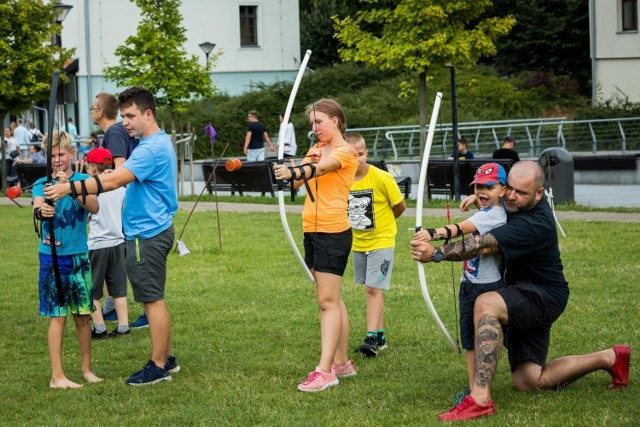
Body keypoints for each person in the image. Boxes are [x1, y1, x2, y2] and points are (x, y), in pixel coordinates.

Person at [410, 160, 631, 421]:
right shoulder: (513, 200)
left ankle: (479, 399)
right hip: (519, 293)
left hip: (543, 296)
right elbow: (497, 201)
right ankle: (611, 357)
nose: (513, 196)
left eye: (521, 192)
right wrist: (481, 195)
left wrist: (436, 253)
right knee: (528, 380)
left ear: (539, 194)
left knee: (486, 303)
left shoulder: (534, 223)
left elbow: (483, 244)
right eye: (510, 189)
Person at [45, 86, 180, 386]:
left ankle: (159, 365)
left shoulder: (150, 148)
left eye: (131, 116)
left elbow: (116, 179)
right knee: (150, 298)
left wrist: (72, 188)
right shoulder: (155, 141)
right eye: (123, 116)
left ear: (148, 114)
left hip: (148, 233)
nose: (125, 122)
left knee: (152, 299)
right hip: (150, 230)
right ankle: (167, 357)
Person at [273, 99, 358, 392]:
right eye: (311, 123)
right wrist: (291, 169)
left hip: (333, 232)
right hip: (312, 229)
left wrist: (297, 171)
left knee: (326, 302)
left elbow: (321, 170)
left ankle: (325, 372)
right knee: (332, 298)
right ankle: (343, 363)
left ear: (335, 120)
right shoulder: (316, 150)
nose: (314, 127)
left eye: (319, 121)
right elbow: (299, 183)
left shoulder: (345, 152)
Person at [414, 162, 507, 406]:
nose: (482, 191)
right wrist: (474, 198)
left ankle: (480, 387)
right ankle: (472, 386)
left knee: (483, 338)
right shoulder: (487, 208)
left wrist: (432, 234)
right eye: (478, 187)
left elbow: (464, 227)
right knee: (469, 340)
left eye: (489, 187)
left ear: (504, 190)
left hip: (487, 287)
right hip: (469, 284)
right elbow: (482, 205)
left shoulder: (496, 215)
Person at [31, 130, 102, 389]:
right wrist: (42, 210)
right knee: (57, 315)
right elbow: (38, 204)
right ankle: (57, 376)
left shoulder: (83, 179)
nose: (57, 160)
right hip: (51, 256)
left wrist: (69, 188)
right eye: (52, 156)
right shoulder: (42, 182)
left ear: (72, 154)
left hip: (78, 255)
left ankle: (86, 369)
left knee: (83, 315)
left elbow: (93, 206)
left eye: (61, 154)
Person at [345, 132, 406, 358]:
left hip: (382, 240)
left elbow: (399, 206)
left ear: (366, 153)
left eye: (360, 154)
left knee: (373, 288)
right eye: (351, 155)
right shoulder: (344, 179)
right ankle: (380, 335)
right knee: (369, 287)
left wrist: (386, 226)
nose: (357, 159)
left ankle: (370, 338)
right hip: (358, 242)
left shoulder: (381, 178)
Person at [91, 92, 145, 328]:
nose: (91, 111)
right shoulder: (116, 131)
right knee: (120, 256)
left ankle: (144, 309)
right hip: (124, 198)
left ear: (100, 112)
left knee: (127, 256)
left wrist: (95, 184)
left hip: (121, 197)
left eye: (93, 107)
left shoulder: (113, 132)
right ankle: (112, 307)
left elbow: (119, 167)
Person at [84, 147, 130, 339]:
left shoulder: (91, 187)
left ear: (92, 168)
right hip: (118, 242)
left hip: (97, 245)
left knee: (92, 289)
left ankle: (100, 327)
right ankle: (123, 326)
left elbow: (88, 214)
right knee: (118, 289)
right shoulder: (120, 187)